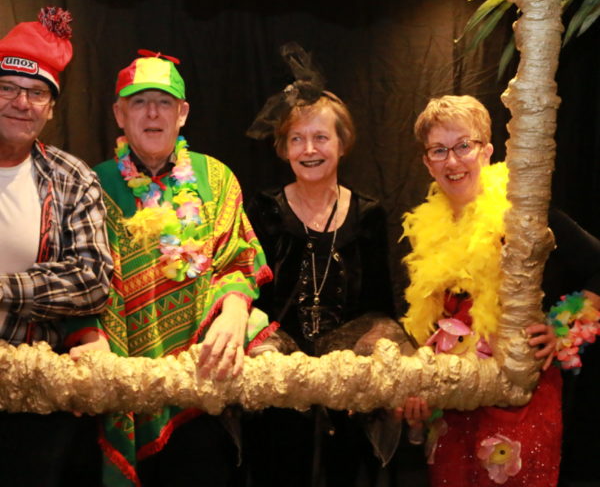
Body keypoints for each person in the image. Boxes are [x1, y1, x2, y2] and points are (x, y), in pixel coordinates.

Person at [67, 50, 275, 487]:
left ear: (182, 114)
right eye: (139, 102)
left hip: (204, 385)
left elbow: (239, 261)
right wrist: (90, 337)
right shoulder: (91, 184)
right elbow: (74, 277)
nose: (152, 113)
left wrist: (234, 312)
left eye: (164, 102)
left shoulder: (216, 178)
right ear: (119, 114)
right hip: (122, 382)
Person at [399, 94, 600, 487]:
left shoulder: (526, 218)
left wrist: (563, 331)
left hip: (518, 402)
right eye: (439, 150)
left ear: (487, 151)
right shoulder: (425, 231)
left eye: (463, 146)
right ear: (427, 162)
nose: (452, 161)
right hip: (451, 406)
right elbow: (428, 323)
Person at [244, 43, 408, 487]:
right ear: (283, 148)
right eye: (297, 139)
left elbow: (380, 304)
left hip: (349, 389)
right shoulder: (265, 209)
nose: (309, 149)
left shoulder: (368, 214)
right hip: (279, 385)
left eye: (321, 137)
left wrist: (369, 364)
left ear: (342, 143)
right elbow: (251, 298)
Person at [0, 7, 113, 486]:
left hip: (33, 396)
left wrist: (3, 289)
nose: (21, 103)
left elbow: (93, 280)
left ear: (51, 108)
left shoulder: (72, 177)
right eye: (7, 88)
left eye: (37, 93)